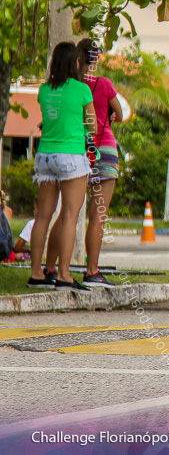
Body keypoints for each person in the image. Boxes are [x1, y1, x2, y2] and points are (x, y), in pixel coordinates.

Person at [28, 42, 97, 290]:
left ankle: (36, 274)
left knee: (42, 216)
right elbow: (93, 126)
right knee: (69, 215)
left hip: (45, 155)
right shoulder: (81, 90)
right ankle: (64, 275)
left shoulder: (44, 90)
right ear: (75, 63)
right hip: (71, 157)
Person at [75, 38, 122, 287]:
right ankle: (92, 271)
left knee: (69, 214)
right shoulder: (104, 84)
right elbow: (120, 113)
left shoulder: (71, 85)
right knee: (98, 216)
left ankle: (55, 270)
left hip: (77, 149)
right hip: (103, 148)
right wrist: (110, 114)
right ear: (97, 58)